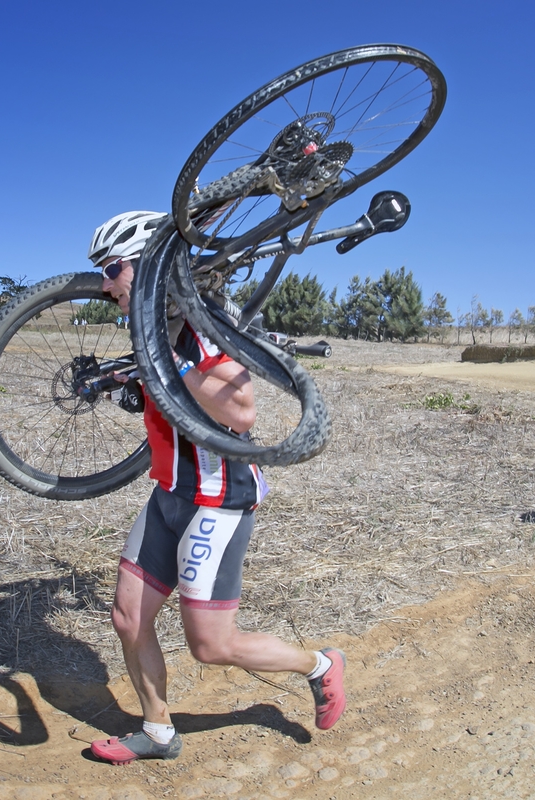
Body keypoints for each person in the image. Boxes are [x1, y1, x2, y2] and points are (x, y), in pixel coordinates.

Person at [84, 211, 346, 765]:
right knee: (128, 616)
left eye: (113, 270)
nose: (106, 286)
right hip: (168, 493)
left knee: (211, 646)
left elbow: (242, 411)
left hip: (217, 499)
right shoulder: (152, 328)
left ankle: (319, 665)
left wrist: (162, 362)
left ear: (147, 264)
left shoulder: (202, 326)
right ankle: (158, 733)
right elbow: (174, 402)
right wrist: (130, 385)